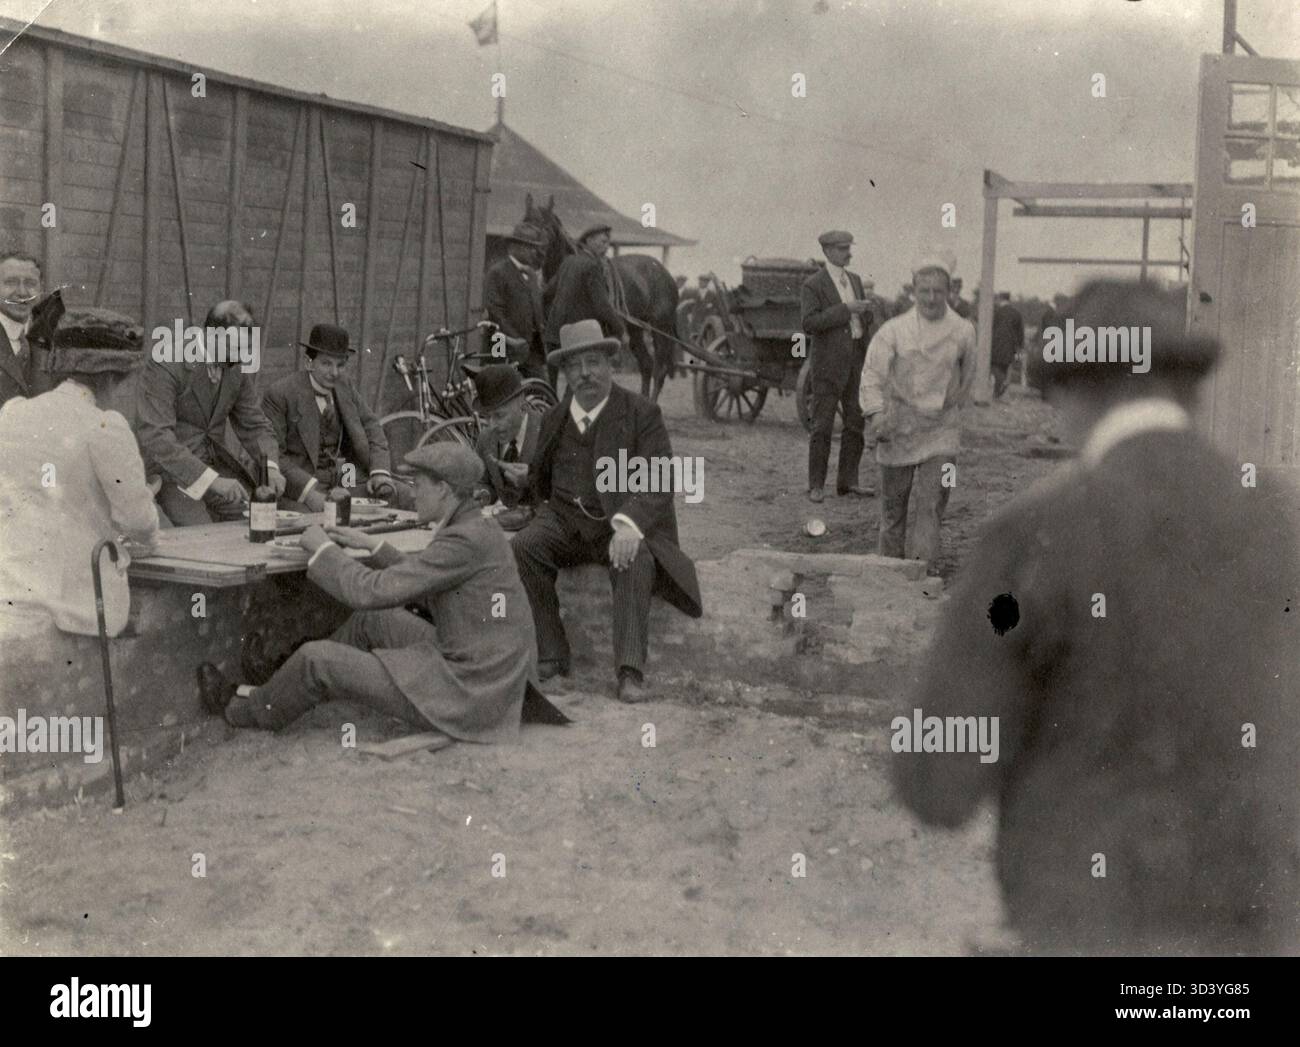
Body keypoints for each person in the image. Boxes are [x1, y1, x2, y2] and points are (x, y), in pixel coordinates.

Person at [894, 279, 1299, 955]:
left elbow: (938, 781)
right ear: (1193, 390)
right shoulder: (1283, 526)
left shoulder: (1032, 537)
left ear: (1071, 394)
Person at [196, 444, 537, 742]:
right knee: (373, 621)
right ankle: (279, 684)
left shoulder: (462, 540)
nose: (413, 493)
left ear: (445, 490)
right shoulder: (476, 527)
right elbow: (429, 576)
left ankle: (240, 708)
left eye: (418, 485)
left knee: (318, 660)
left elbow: (368, 591)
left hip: (470, 692)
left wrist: (320, 548)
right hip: (486, 671)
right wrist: (374, 546)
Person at [512, 320, 702, 703]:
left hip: (616, 526)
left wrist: (630, 525)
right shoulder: (554, 418)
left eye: (594, 362)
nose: (586, 374)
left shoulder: (640, 413)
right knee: (524, 545)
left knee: (636, 559)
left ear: (611, 364)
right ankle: (552, 653)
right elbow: (540, 479)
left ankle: (630, 671)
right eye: (576, 366)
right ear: (564, 373)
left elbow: (659, 481)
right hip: (564, 521)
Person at [0, 307, 159, 637]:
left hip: (10, 598)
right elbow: (139, 524)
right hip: (74, 611)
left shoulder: (12, 414)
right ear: (114, 377)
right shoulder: (105, 426)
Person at [860, 252, 976, 574]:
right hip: (898, 428)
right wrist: (876, 415)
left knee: (931, 506)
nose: (931, 298)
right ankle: (888, 575)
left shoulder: (963, 331)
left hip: (942, 432)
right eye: (924, 290)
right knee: (892, 511)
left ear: (949, 291)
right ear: (914, 290)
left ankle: (920, 577)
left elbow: (967, 378)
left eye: (939, 291)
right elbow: (871, 375)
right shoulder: (893, 331)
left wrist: (947, 408)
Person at [134, 299, 285, 525]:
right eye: (235, 348)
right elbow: (156, 437)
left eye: (246, 348)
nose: (243, 357)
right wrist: (212, 480)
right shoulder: (167, 361)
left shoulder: (234, 365)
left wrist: (270, 467)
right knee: (202, 535)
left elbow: (254, 424)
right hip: (171, 473)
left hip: (216, 470)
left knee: (258, 522)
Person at [261, 323, 404, 512]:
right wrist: (309, 493)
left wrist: (380, 473)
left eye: (340, 365)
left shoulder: (345, 386)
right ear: (309, 363)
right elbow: (275, 453)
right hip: (307, 485)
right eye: (326, 363)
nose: (334, 372)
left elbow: (372, 427)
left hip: (347, 478)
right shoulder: (281, 394)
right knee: (316, 519)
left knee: (404, 495)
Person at [800, 230, 875, 502]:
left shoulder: (854, 280)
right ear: (828, 251)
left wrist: (865, 313)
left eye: (848, 248)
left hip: (856, 358)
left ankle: (848, 482)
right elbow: (809, 323)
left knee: (855, 422)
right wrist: (848, 309)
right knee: (822, 425)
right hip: (829, 364)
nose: (849, 253)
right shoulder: (813, 284)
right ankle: (816, 485)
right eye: (843, 248)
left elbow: (859, 321)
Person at [543, 224, 626, 389]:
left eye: (608, 243)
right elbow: (602, 305)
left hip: (555, 333)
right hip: (578, 336)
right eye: (602, 242)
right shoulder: (592, 266)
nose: (606, 247)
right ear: (588, 241)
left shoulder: (568, 261)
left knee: (553, 387)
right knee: (579, 380)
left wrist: (549, 320)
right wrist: (620, 329)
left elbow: (546, 294)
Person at [472, 364, 545, 510]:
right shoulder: (486, 439)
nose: (492, 425)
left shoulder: (548, 432)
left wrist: (531, 480)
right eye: (487, 417)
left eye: (499, 415)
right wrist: (484, 494)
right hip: (504, 526)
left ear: (522, 405)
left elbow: (564, 496)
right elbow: (483, 481)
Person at [483, 222, 548, 382]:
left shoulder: (531, 274)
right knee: (502, 389)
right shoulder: (497, 272)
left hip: (531, 350)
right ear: (515, 247)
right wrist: (514, 339)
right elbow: (494, 312)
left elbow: (536, 309)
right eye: (529, 247)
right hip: (503, 346)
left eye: (535, 247)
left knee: (542, 390)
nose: (534, 252)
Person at [0, 250, 54, 409]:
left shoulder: (52, 339)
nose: (22, 292)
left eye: (30, 283)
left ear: (41, 288)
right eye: (11, 282)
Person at [990, 292, 1025, 398]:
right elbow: (1020, 332)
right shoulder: (1016, 313)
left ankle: (1001, 385)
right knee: (1004, 367)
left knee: (994, 366)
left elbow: (990, 327)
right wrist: (1019, 347)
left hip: (995, 344)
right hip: (1010, 346)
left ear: (1000, 299)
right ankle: (998, 390)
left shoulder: (996, 312)